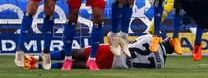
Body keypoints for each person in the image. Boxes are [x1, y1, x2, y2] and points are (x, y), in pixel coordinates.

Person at [23, 34, 175, 70]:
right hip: (116, 65)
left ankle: (35, 58)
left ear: (166, 41)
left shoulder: (150, 38)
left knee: (74, 54)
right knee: (77, 66)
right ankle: (36, 66)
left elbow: (132, 43)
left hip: (113, 52)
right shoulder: (160, 65)